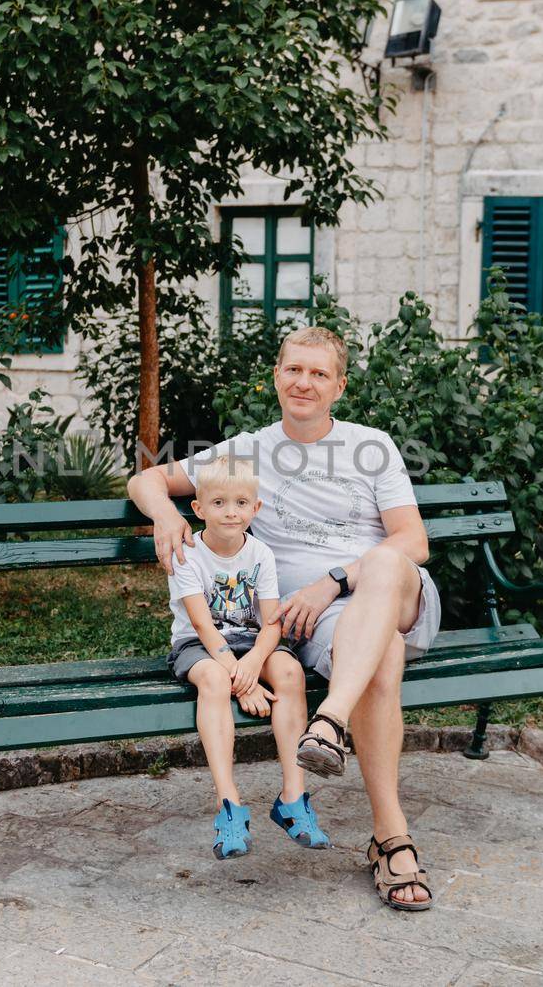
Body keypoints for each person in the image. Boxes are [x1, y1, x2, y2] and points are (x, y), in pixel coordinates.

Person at [128, 326, 437, 911]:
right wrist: (167, 516)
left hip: (388, 595)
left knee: (384, 563)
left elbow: (412, 541)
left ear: (339, 387)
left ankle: (329, 720)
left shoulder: (371, 445)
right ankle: (391, 841)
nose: (304, 382)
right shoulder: (247, 453)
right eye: (294, 369)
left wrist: (333, 581)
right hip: (312, 624)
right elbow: (145, 477)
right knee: (381, 656)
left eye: (319, 373)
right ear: (276, 375)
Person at [165, 455, 330, 860]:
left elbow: (271, 621)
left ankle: (293, 798)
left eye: (241, 502)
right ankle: (229, 804)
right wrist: (243, 679)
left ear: (255, 509)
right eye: (218, 503)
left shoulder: (261, 553)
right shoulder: (187, 556)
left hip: (251, 643)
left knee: (290, 671)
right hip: (200, 646)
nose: (230, 512)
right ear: (199, 509)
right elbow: (203, 626)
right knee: (215, 681)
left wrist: (255, 664)